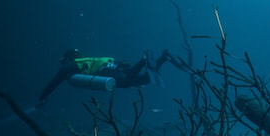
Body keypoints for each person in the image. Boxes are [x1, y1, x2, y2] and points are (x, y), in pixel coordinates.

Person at [37, 49, 172, 105]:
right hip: (116, 65)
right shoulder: (86, 60)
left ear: (68, 58)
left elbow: (53, 83)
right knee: (144, 79)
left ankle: (143, 60)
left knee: (125, 83)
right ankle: (163, 58)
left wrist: (42, 97)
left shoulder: (69, 67)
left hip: (106, 71)